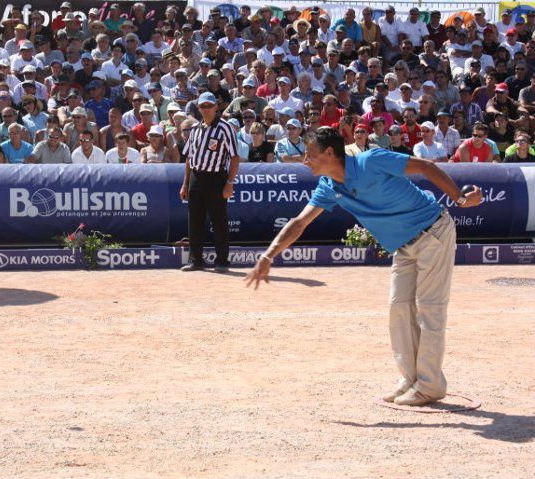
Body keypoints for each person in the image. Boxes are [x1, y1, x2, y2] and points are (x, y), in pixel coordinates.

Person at [245, 126, 483, 407]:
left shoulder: (371, 160)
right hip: (403, 246)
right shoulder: (328, 186)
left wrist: (460, 198)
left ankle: (430, 386)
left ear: (330, 152)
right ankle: (411, 379)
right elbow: (299, 223)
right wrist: (268, 255)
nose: (305, 161)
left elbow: (425, 167)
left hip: (434, 232)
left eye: (309, 155)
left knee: (429, 309)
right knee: (398, 309)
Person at [180, 92, 240, 273]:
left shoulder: (225, 128)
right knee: (194, 221)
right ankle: (196, 260)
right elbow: (189, 159)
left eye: (209, 106)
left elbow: (235, 157)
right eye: (203, 106)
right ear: (198, 108)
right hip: (196, 179)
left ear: (216, 107)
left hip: (216, 178)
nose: (206, 109)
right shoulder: (196, 129)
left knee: (219, 221)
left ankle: (222, 261)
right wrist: (185, 184)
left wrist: (230, 183)